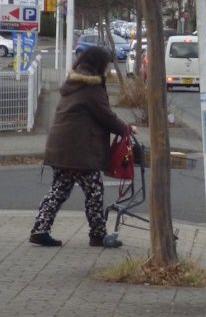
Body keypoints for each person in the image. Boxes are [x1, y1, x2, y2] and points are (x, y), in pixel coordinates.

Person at [29, 46, 132, 248]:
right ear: (99, 64)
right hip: (79, 150)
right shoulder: (90, 87)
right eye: (106, 64)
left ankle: (40, 230)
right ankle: (98, 234)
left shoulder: (75, 81)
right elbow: (105, 115)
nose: (108, 68)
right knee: (94, 191)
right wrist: (126, 129)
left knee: (59, 189)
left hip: (62, 146)